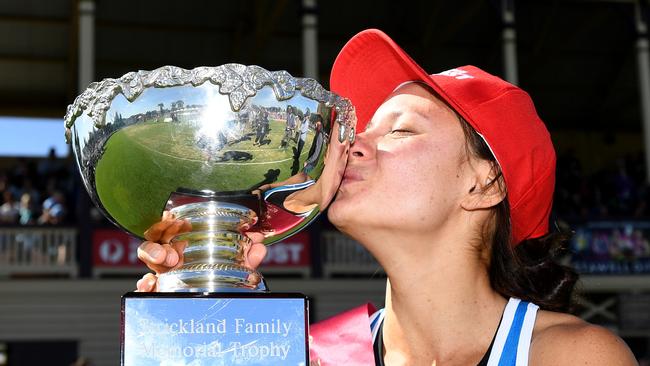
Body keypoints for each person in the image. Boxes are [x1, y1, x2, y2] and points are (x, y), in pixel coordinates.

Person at [137, 29, 637, 365]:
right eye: (363, 129)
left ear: (483, 185)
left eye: (399, 131)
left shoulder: (572, 355)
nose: (352, 144)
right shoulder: (315, 354)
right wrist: (205, 320)